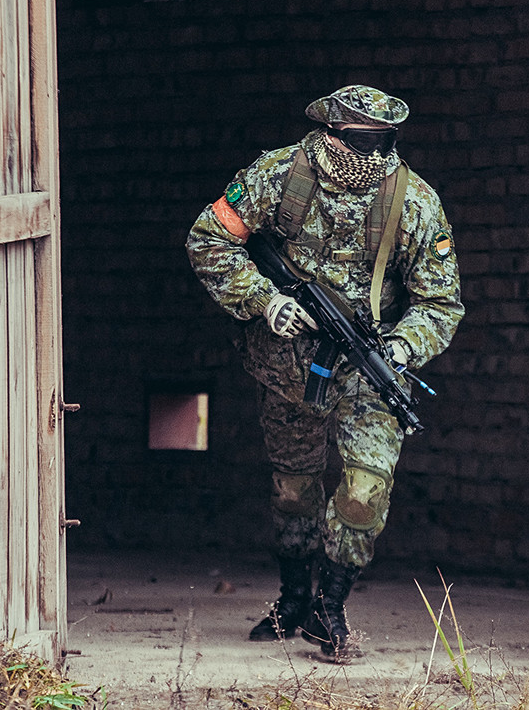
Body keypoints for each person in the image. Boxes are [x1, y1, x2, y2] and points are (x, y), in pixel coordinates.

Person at [185, 85, 464, 658]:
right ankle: (291, 600)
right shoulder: (278, 177)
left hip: (370, 366)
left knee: (364, 490)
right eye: (363, 140)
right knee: (294, 487)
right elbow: (208, 240)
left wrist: (403, 347)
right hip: (288, 368)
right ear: (331, 134)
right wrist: (264, 299)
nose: (375, 153)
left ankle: (328, 607)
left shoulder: (413, 201)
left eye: (386, 141)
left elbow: (441, 302)